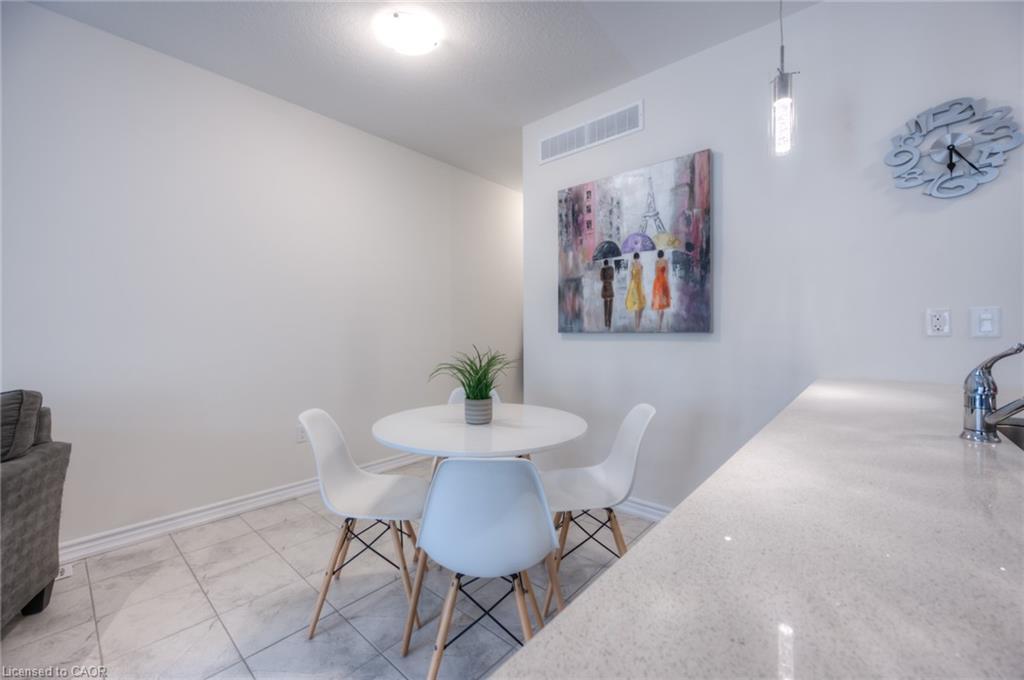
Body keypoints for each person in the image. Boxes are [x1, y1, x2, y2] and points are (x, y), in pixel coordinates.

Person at [625, 252, 646, 331]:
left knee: (638, 306)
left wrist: (630, 286)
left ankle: (637, 325)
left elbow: (631, 276)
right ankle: (637, 325)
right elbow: (640, 276)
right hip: (638, 285)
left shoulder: (634, 265)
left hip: (635, 284)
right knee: (638, 305)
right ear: (638, 257)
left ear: (634, 257)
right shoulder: (639, 265)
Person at [651, 249, 671, 331]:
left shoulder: (656, 262)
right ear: (663, 255)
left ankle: (658, 322)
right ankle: (660, 323)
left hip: (657, 282)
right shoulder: (665, 262)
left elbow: (655, 273)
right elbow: (667, 274)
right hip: (663, 282)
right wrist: (667, 283)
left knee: (657, 301)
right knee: (663, 303)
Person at [600, 259, 615, 330]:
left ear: (604, 263)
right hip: (610, 288)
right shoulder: (611, 268)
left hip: (605, 289)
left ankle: (606, 322)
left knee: (605, 307)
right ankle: (610, 323)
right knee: (610, 307)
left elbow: (601, 279)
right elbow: (612, 278)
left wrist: (605, 280)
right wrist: (609, 280)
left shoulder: (602, 269)